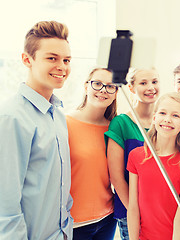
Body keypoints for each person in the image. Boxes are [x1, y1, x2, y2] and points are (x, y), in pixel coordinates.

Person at [0, 21, 73, 239]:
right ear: (27, 59)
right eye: (52, 58)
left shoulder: (58, 114)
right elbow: (5, 205)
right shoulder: (11, 117)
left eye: (66, 60)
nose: (62, 66)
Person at [127, 92, 180, 240]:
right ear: (154, 118)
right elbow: (133, 207)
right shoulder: (136, 156)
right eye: (162, 113)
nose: (167, 119)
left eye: (175, 116)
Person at [105, 68, 160, 239]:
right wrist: (136, 211)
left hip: (160, 210)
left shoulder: (165, 122)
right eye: (143, 83)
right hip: (131, 212)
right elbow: (116, 178)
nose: (150, 87)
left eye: (154, 81)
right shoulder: (121, 123)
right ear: (131, 88)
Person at [67, 68, 118, 239]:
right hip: (74, 223)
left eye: (111, 86)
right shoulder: (64, 123)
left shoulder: (115, 129)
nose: (103, 90)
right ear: (86, 86)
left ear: (116, 93)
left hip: (107, 220)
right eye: (97, 84)